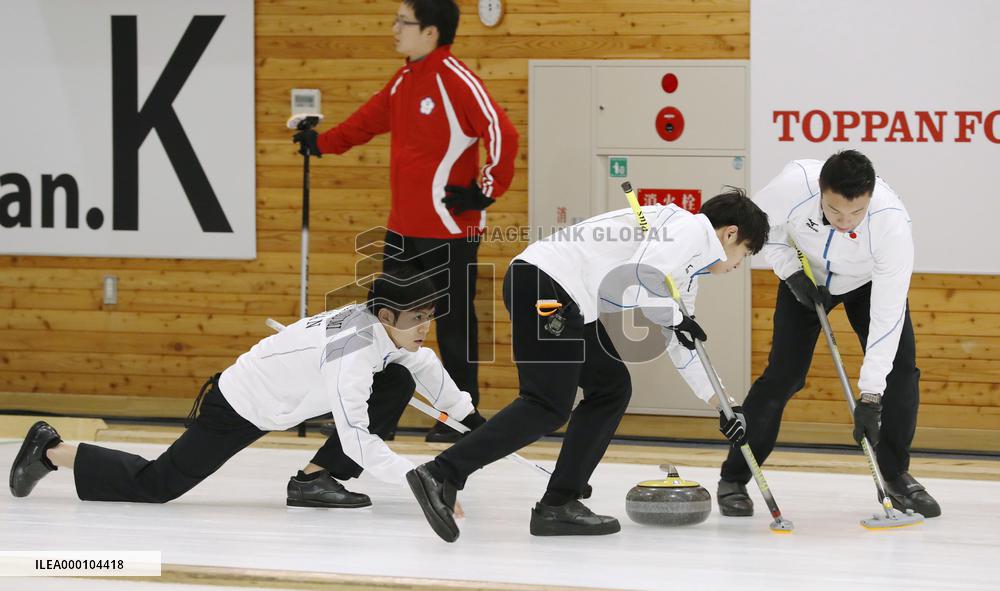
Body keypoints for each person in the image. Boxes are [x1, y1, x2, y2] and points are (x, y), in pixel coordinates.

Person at [405, 190, 771, 541]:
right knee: (546, 403)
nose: (739, 264)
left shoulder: (688, 269)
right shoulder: (691, 229)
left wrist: (724, 406)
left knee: (611, 388)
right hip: (547, 283)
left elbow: (682, 341)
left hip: (571, 298)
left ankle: (559, 502)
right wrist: (676, 317)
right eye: (745, 253)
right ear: (729, 234)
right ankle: (441, 473)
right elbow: (638, 277)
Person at [9, 268, 486, 508]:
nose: (426, 326)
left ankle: (313, 479)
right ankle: (52, 449)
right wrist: (416, 480)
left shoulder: (384, 331)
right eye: (418, 318)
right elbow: (358, 433)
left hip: (286, 398)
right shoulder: (353, 354)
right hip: (241, 403)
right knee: (159, 486)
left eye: (429, 316)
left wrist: (472, 421)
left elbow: (421, 362)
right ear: (386, 317)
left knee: (400, 376)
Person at [292, 0, 519, 443]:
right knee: (386, 321)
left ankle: (458, 418)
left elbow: (501, 131)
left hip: (449, 226)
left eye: (403, 22)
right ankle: (377, 416)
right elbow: (364, 123)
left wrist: (486, 189)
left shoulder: (456, 79)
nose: (395, 29)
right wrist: (320, 144)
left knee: (453, 324)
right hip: (402, 226)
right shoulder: (404, 80)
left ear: (430, 32)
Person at [716, 150, 940, 518]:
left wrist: (870, 396)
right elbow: (760, 231)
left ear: (870, 196)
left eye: (856, 213)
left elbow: (888, 314)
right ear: (822, 191)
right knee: (783, 377)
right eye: (835, 211)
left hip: (867, 283)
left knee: (900, 375)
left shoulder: (891, 224)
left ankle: (895, 475)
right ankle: (735, 477)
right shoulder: (793, 186)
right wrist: (790, 272)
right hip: (805, 277)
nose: (845, 221)